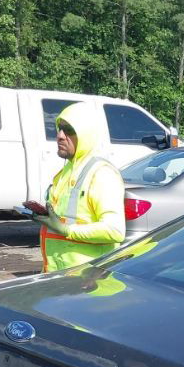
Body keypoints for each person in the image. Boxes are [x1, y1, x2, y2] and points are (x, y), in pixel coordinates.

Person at [34, 102, 125, 272]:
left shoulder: (101, 174)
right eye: (59, 128)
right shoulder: (64, 172)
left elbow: (115, 230)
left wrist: (67, 230)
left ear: (86, 135)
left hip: (89, 283)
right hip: (60, 279)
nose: (60, 136)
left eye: (69, 130)